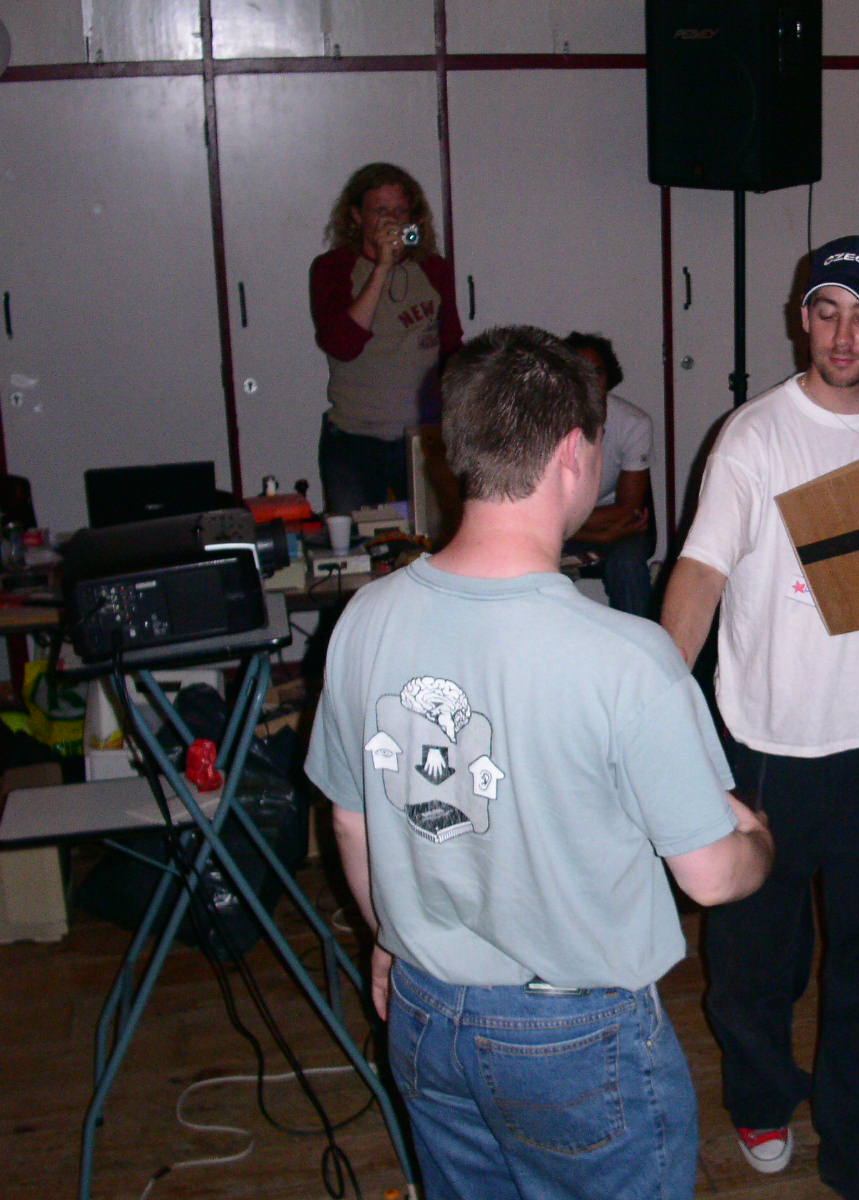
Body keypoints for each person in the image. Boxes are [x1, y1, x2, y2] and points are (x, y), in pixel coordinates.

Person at [304, 325, 774, 1200]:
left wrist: (388, 941)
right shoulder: (627, 658)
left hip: (424, 1011)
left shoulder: (363, 620)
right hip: (575, 1039)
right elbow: (711, 878)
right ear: (572, 454)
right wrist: (757, 841)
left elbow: (350, 818)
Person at [660, 235, 859, 1200]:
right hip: (768, 752)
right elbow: (700, 573)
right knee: (753, 968)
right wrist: (658, 700)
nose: (843, 335)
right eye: (826, 312)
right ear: (801, 317)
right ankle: (763, 1097)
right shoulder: (753, 436)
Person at [310, 162, 463, 516]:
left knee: (433, 535)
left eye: (400, 211)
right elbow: (343, 345)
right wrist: (382, 267)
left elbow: (452, 345)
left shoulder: (433, 268)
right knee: (357, 540)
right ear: (357, 216)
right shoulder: (333, 268)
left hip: (424, 437)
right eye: (380, 211)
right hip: (356, 438)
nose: (392, 221)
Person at [561, 331, 655, 616]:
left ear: (609, 376)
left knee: (627, 562)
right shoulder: (546, 423)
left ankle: (639, 642)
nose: (589, 382)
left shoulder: (633, 423)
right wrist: (594, 534)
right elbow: (538, 512)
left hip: (609, 523)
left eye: (597, 373)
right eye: (579, 373)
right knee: (528, 560)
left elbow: (628, 510)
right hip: (561, 523)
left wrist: (568, 524)